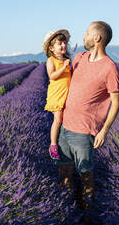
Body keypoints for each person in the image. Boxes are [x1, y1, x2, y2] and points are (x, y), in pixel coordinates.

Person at [55, 21, 119, 212]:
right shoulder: (79, 58)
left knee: (85, 175)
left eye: (86, 33)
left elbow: (115, 103)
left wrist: (104, 131)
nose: (83, 37)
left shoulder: (109, 68)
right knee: (64, 172)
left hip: (84, 131)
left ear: (97, 38)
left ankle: (88, 214)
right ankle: (66, 211)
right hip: (64, 126)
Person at [43, 29, 72, 160]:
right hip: (57, 95)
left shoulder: (67, 59)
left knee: (66, 119)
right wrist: (64, 67)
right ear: (51, 48)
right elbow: (52, 76)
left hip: (67, 94)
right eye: (59, 44)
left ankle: (67, 141)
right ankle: (53, 145)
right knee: (58, 119)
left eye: (65, 43)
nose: (63, 46)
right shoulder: (51, 60)